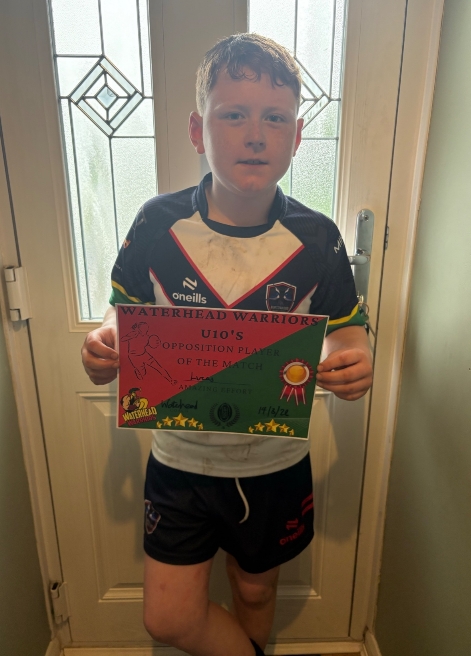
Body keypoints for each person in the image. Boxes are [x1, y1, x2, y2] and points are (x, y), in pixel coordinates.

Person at [81, 33, 373, 656]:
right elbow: (123, 312)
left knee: (256, 594)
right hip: (179, 460)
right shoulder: (157, 222)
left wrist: (352, 358)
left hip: (274, 465)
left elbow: (345, 326)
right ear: (198, 130)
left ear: (297, 136)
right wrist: (106, 341)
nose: (255, 135)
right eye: (234, 115)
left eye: (275, 119)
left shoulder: (318, 237)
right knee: (168, 618)